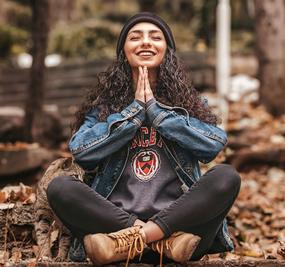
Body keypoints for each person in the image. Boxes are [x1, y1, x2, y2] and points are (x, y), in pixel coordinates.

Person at [47, 12, 241, 266]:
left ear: (166, 50)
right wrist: (135, 112)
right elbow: (82, 151)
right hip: (113, 226)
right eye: (135, 37)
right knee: (60, 187)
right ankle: (156, 241)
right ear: (124, 52)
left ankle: (137, 240)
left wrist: (157, 113)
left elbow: (213, 144)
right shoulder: (104, 108)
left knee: (227, 177)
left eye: (155, 37)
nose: (146, 42)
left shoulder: (190, 104)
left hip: (182, 231)